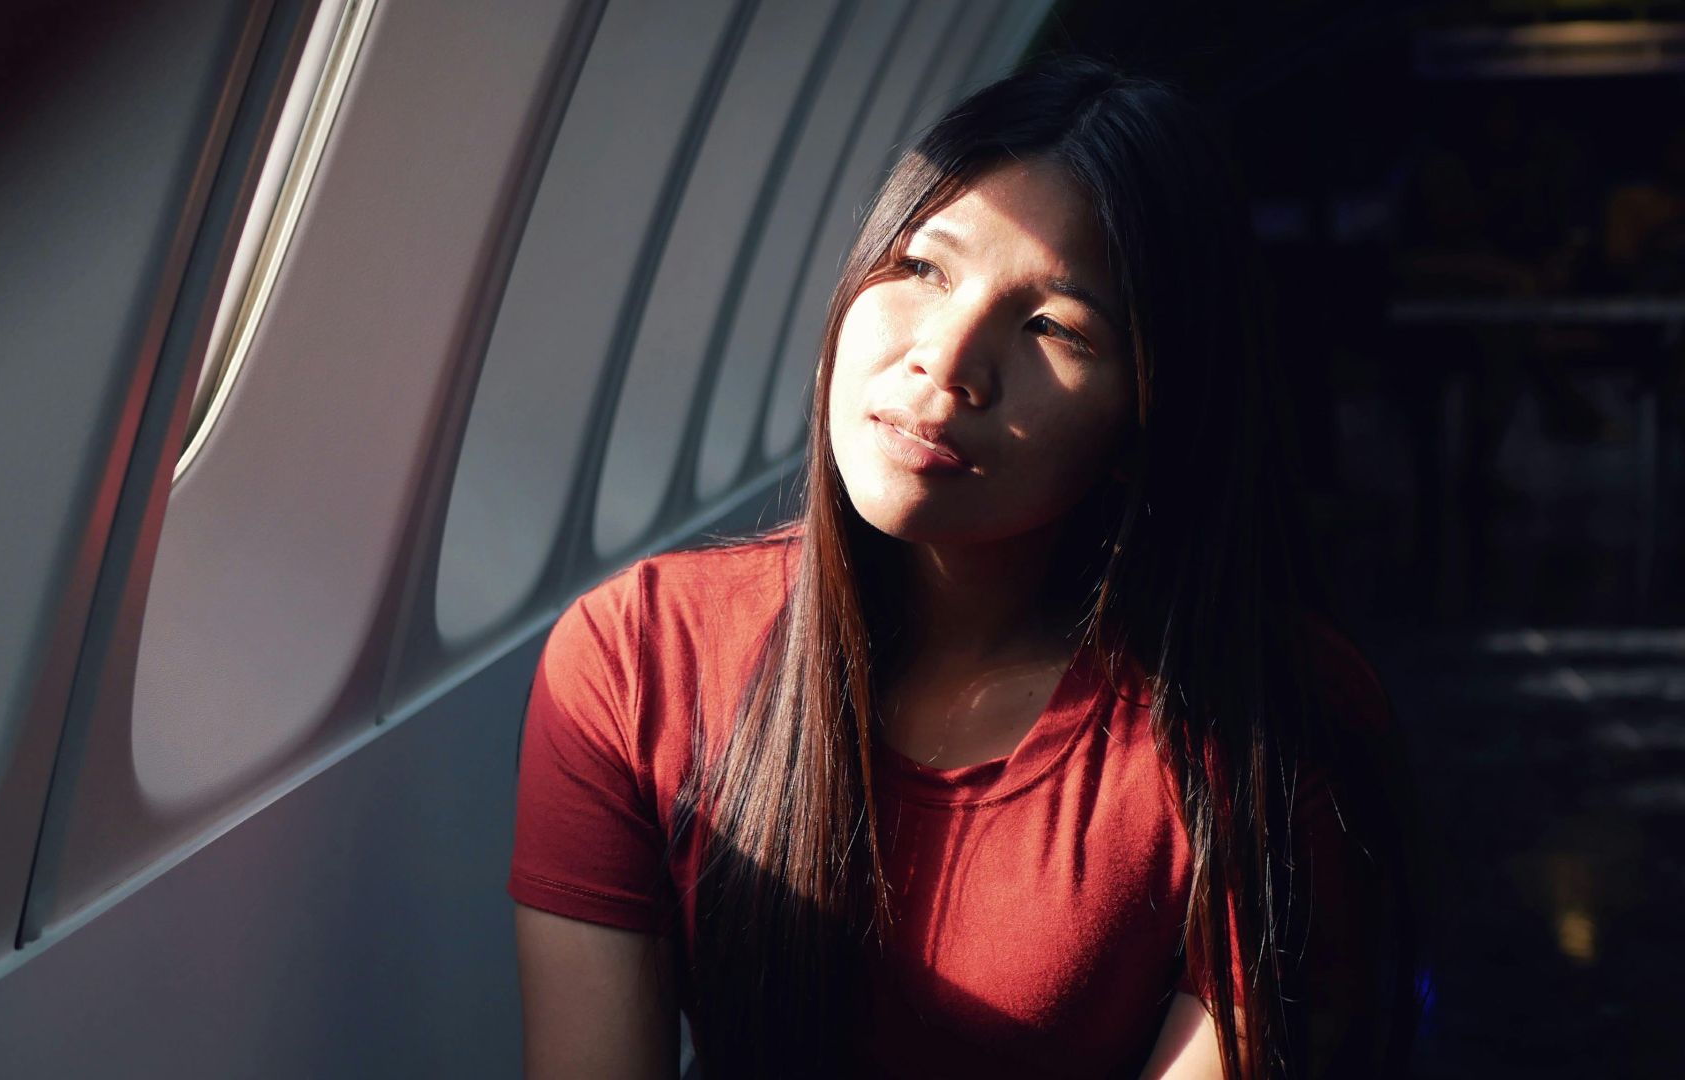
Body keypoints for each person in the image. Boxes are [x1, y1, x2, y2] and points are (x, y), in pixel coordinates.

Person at [509, 55, 1422, 1080]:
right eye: (922, 270)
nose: (946, 362)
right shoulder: (636, 660)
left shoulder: (1264, 724)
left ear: (1150, 413)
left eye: (1052, 326)